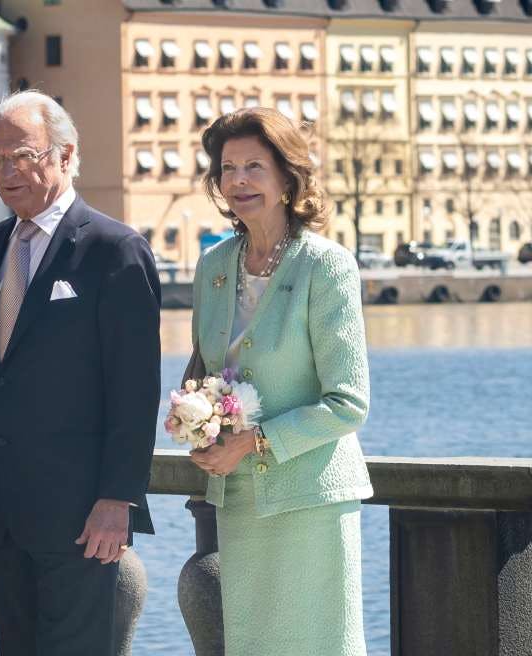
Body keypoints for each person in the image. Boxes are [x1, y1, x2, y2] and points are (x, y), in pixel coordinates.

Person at [0, 90, 161, 656]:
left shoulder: (115, 250)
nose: (8, 171)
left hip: (84, 518)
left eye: (23, 155)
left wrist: (118, 499)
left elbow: (136, 393)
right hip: (2, 516)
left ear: (66, 155)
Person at [187, 107, 373, 655]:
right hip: (240, 499)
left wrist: (253, 441)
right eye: (228, 168)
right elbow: (204, 370)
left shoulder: (326, 266)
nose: (238, 181)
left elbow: (349, 403)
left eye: (254, 167)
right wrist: (194, 423)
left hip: (311, 498)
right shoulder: (213, 266)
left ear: (288, 178)